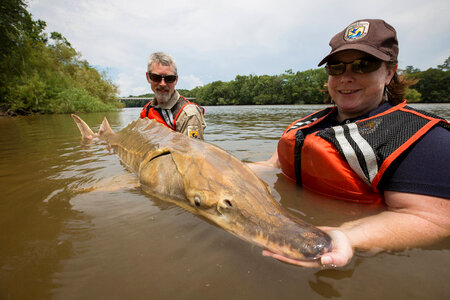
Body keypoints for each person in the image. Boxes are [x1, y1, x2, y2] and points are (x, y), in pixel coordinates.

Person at [255, 19, 450, 268]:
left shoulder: (425, 139)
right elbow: (272, 166)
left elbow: (433, 218)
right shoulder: (307, 126)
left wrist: (349, 236)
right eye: (336, 68)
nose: (346, 77)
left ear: (389, 72)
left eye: (363, 65)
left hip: (357, 258)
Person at [140, 52, 206, 139]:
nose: (162, 84)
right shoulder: (147, 110)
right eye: (156, 77)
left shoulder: (189, 114)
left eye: (169, 79)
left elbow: (194, 150)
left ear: (176, 80)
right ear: (148, 77)